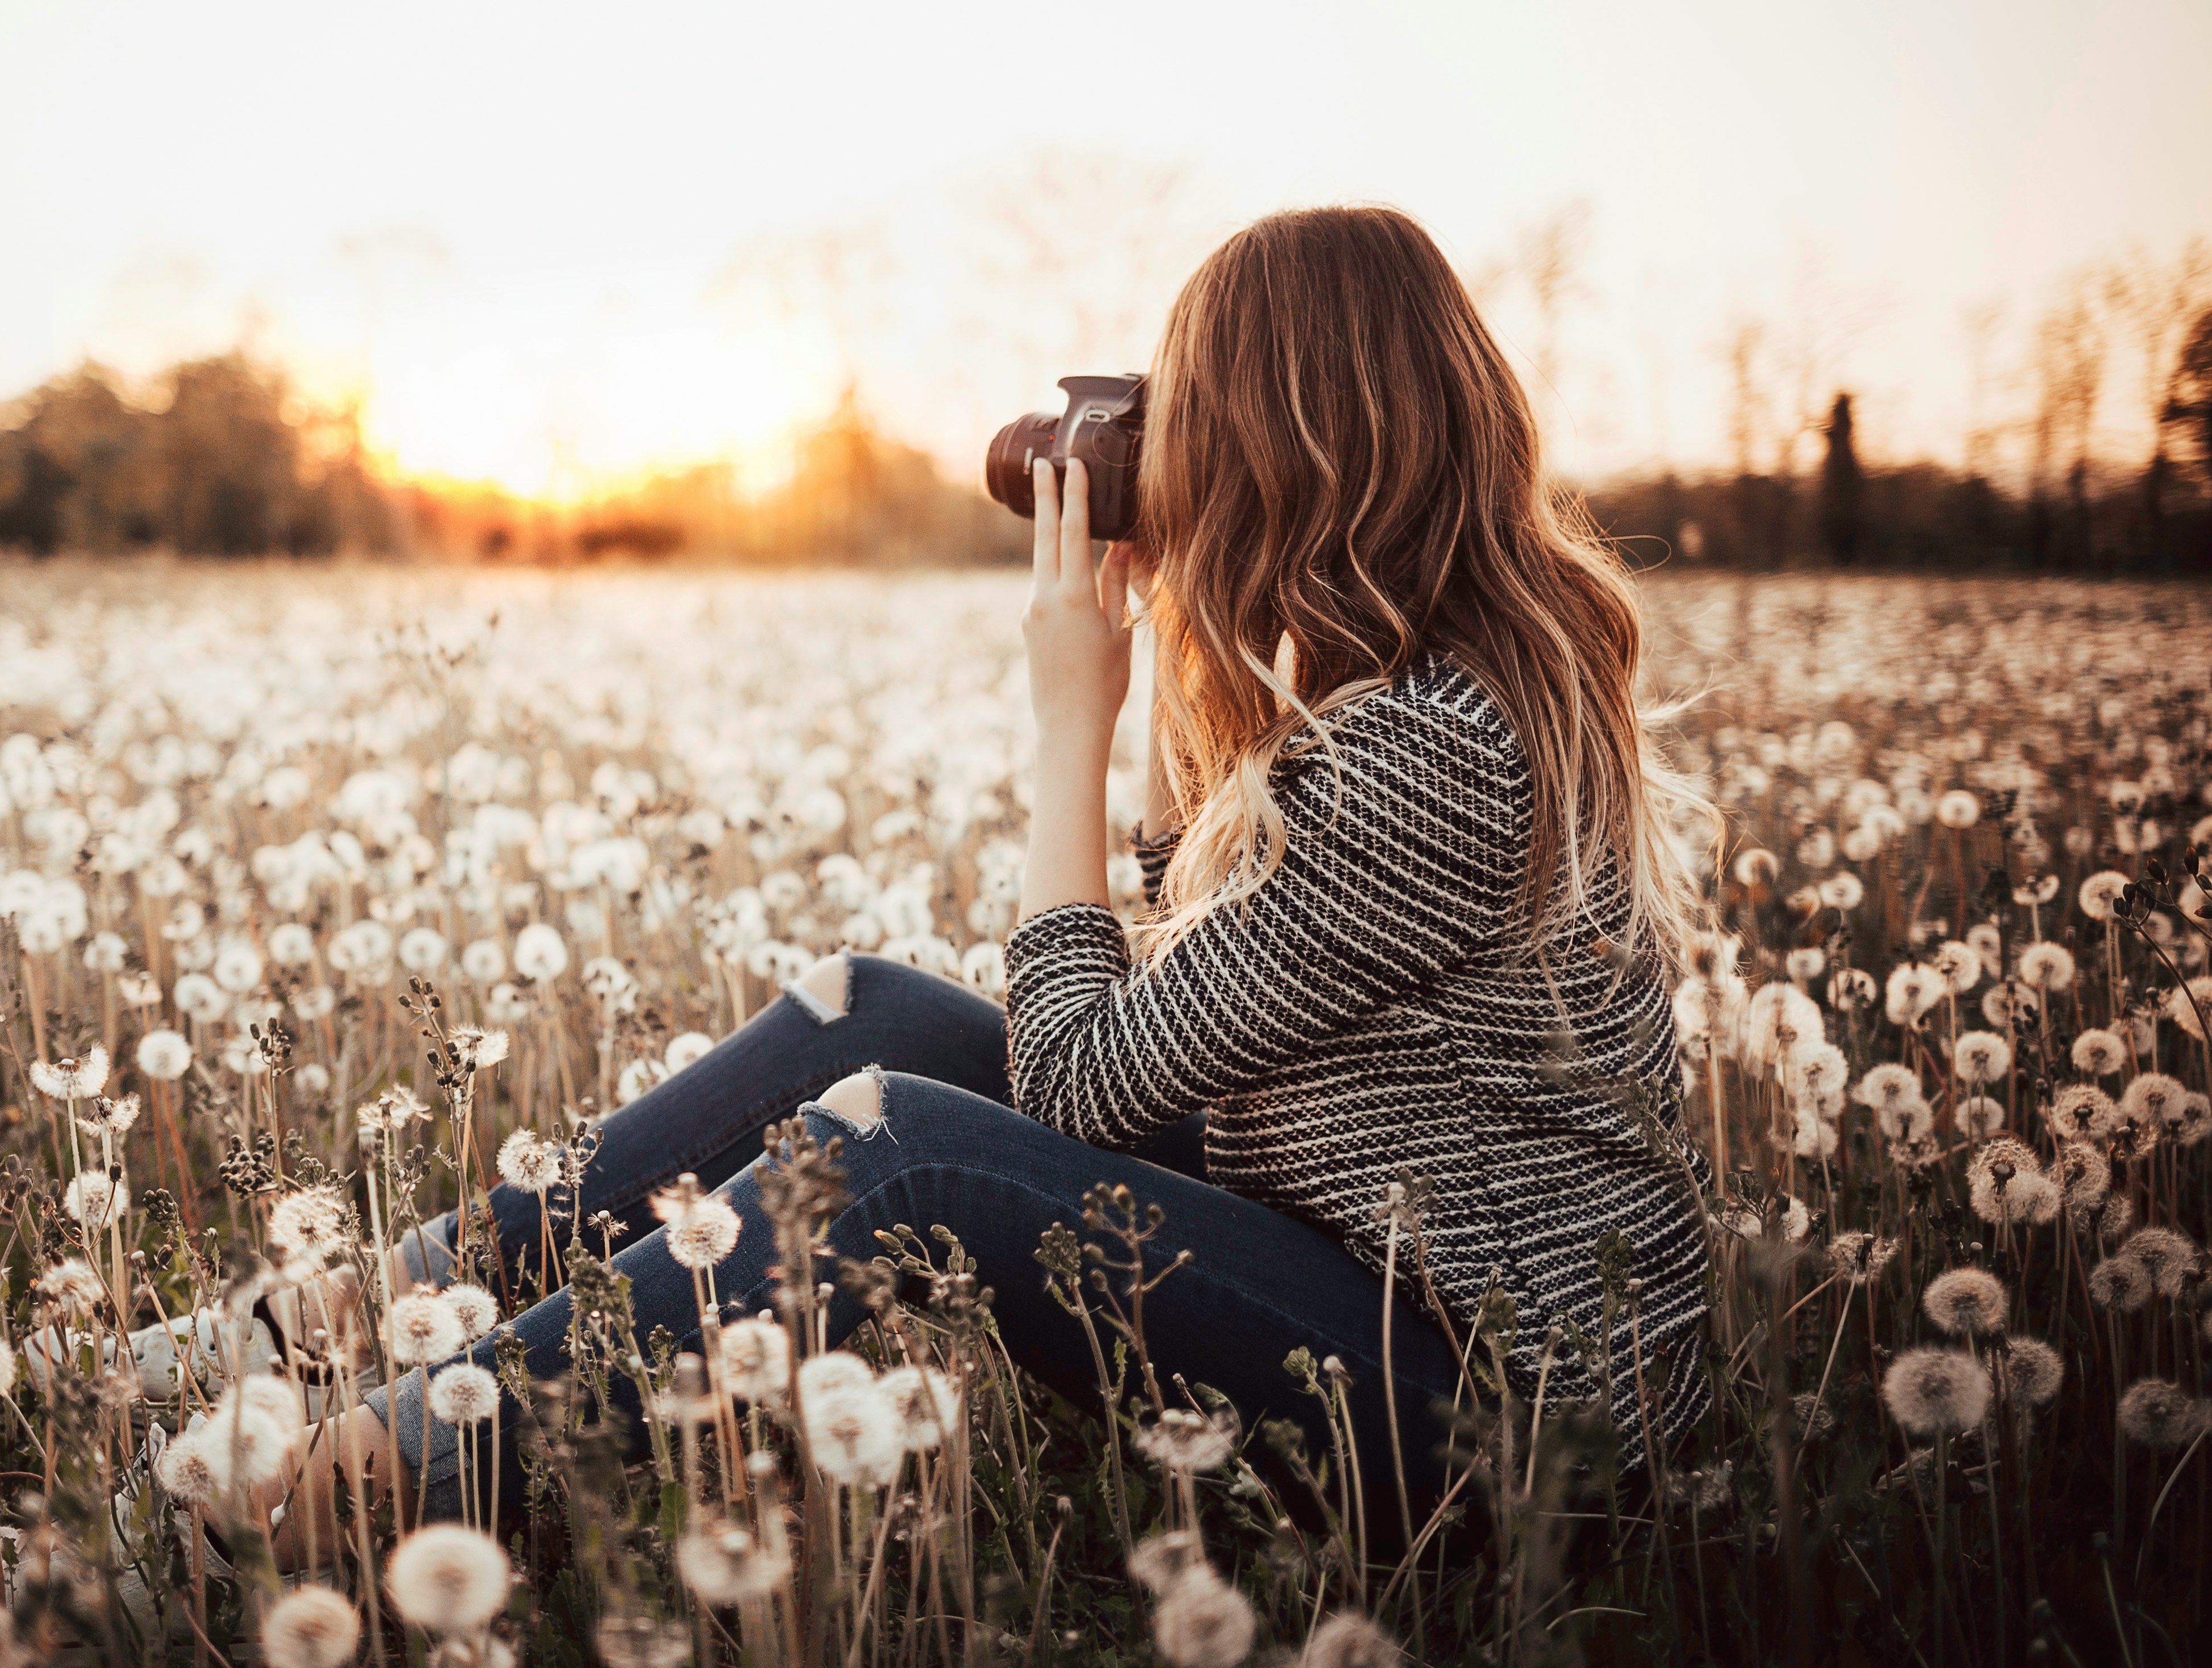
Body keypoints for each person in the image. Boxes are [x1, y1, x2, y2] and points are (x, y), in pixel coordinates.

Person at [230, 204, 1713, 1557]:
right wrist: (1168, 640)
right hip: (1390, 1286)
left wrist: (1068, 716)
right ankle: (334, 1313)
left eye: (1186, 412)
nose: (1165, 451)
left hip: (1512, 1432)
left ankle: (345, 1493)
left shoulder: (1432, 749)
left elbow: (1080, 1082)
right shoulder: (1446, 683)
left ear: (1276, 440)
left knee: (900, 1144)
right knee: (874, 1015)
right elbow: (1190, 945)